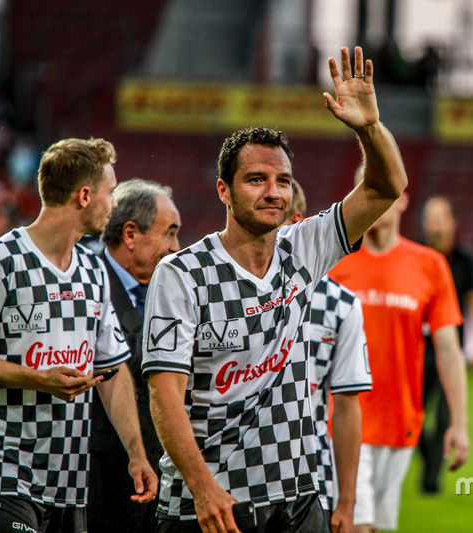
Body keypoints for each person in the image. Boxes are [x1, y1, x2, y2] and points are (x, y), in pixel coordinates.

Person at [142, 46, 408, 533]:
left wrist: (369, 129)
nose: (275, 192)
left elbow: (385, 188)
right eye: (257, 180)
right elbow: (164, 396)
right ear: (223, 190)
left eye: (284, 181)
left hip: (299, 497)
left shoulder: (303, 247)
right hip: (213, 503)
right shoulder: (183, 274)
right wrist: (202, 486)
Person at [0, 138, 158, 533]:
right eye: (110, 193)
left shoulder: (93, 270)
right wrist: (36, 378)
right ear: (85, 195)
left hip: (70, 479)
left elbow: (111, 370)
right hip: (5, 471)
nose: (113, 204)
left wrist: (136, 453)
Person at [330, 170, 470, 533]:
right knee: (354, 525)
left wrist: (459, 422)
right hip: (342, 421)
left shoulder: (430, 266)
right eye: (367, 189)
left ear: (403, 198)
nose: (375, 198)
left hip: (402, 423)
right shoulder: (334, 262)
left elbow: (449, 350)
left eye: (383, 189)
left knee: (373, 526)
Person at [87, 178, 181, 533]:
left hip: (163, 477)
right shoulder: (86, 284)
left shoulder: (170, 289)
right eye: (169, 233)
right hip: (103, 481)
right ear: (130, 234)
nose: (176, 247)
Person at [285, 179, 371, 532]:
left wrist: (347, 502)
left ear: (297, 222)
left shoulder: (341, 304)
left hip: (312, 477)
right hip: (233, 476)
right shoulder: (222, 291)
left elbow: (348, 405)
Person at [418, 195, 473, 495]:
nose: (433, 224)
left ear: (453, 222)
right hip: (418, 349)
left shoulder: (465, 260)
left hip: (450, 349)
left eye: (439, 217)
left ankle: (430, 479)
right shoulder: (417, 257)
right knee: (414, 415)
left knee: (444, 415)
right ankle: (428, 456)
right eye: (429, 217)